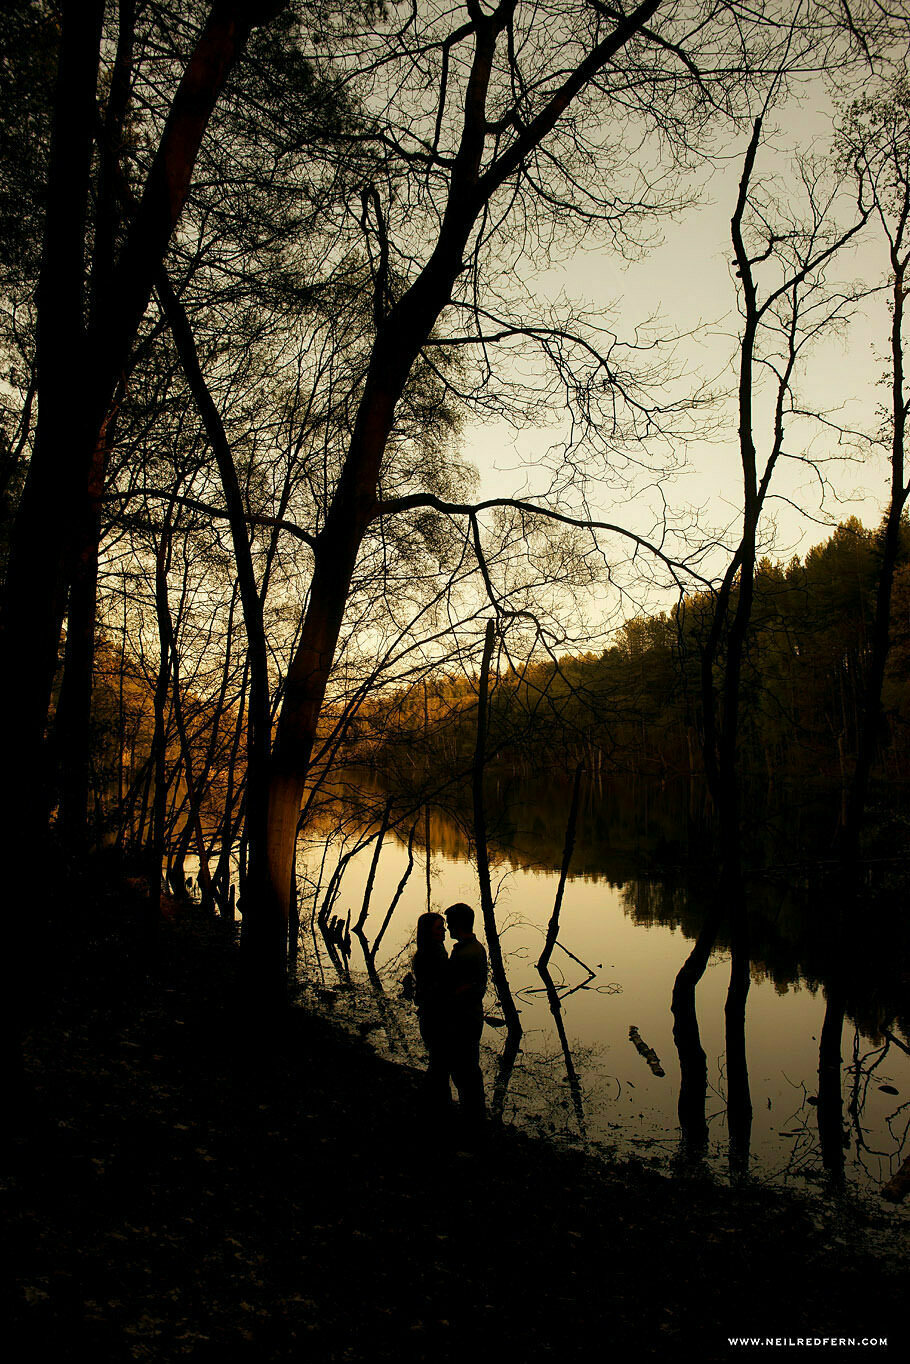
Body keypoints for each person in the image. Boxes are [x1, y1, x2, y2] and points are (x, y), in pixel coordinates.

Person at [444, 902, 488, 1124]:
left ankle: (473, 1116)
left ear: (459, 924)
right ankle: (472, 1112)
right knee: (467, 1067)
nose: (447, 927)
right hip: (470, 1017)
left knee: (466, 1069)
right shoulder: (471, 948)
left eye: (450, 923)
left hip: (465, 1019)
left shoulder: (468, 953)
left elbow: (468, 987)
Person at [412, 912, 451, 1108]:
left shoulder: (435, 951)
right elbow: (435, 988)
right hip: (434, 1017)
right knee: (439, 1063)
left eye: (443, 927)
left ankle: (435, 1102)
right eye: (439, 928)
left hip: (433, 1015)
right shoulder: (429, 956)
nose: (444, 931)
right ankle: (436, 1104)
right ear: (428, 932)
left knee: (439, 1063)